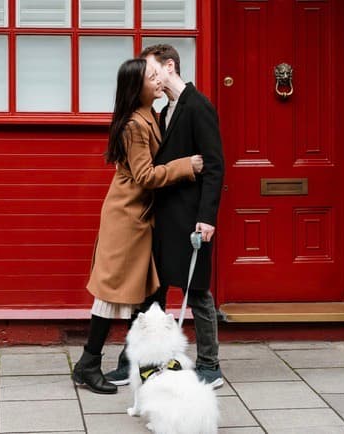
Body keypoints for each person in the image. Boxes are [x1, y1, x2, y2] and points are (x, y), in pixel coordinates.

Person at [72, 58, 204, 394]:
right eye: (152, 77)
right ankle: (88, 364)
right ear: (137, 87)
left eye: (159, 74)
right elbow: (145, 176)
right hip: (126, 219)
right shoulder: (134, 125)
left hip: (139, 218)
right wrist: (186, 166)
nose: (159, 80)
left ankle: (134, 362)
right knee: (111, 291)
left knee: (139, 293)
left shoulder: (150, 116)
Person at [105, 44, 226, 389]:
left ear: (169, 66)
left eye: (152, 70)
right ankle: (136, 362)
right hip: (162, 218)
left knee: (197, 290)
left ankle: (210, 365)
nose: (150, 78)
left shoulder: (199, 106)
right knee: (151, 292)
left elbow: (215, 166)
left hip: (190, 219)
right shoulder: (163, 111)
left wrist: (207, 217)